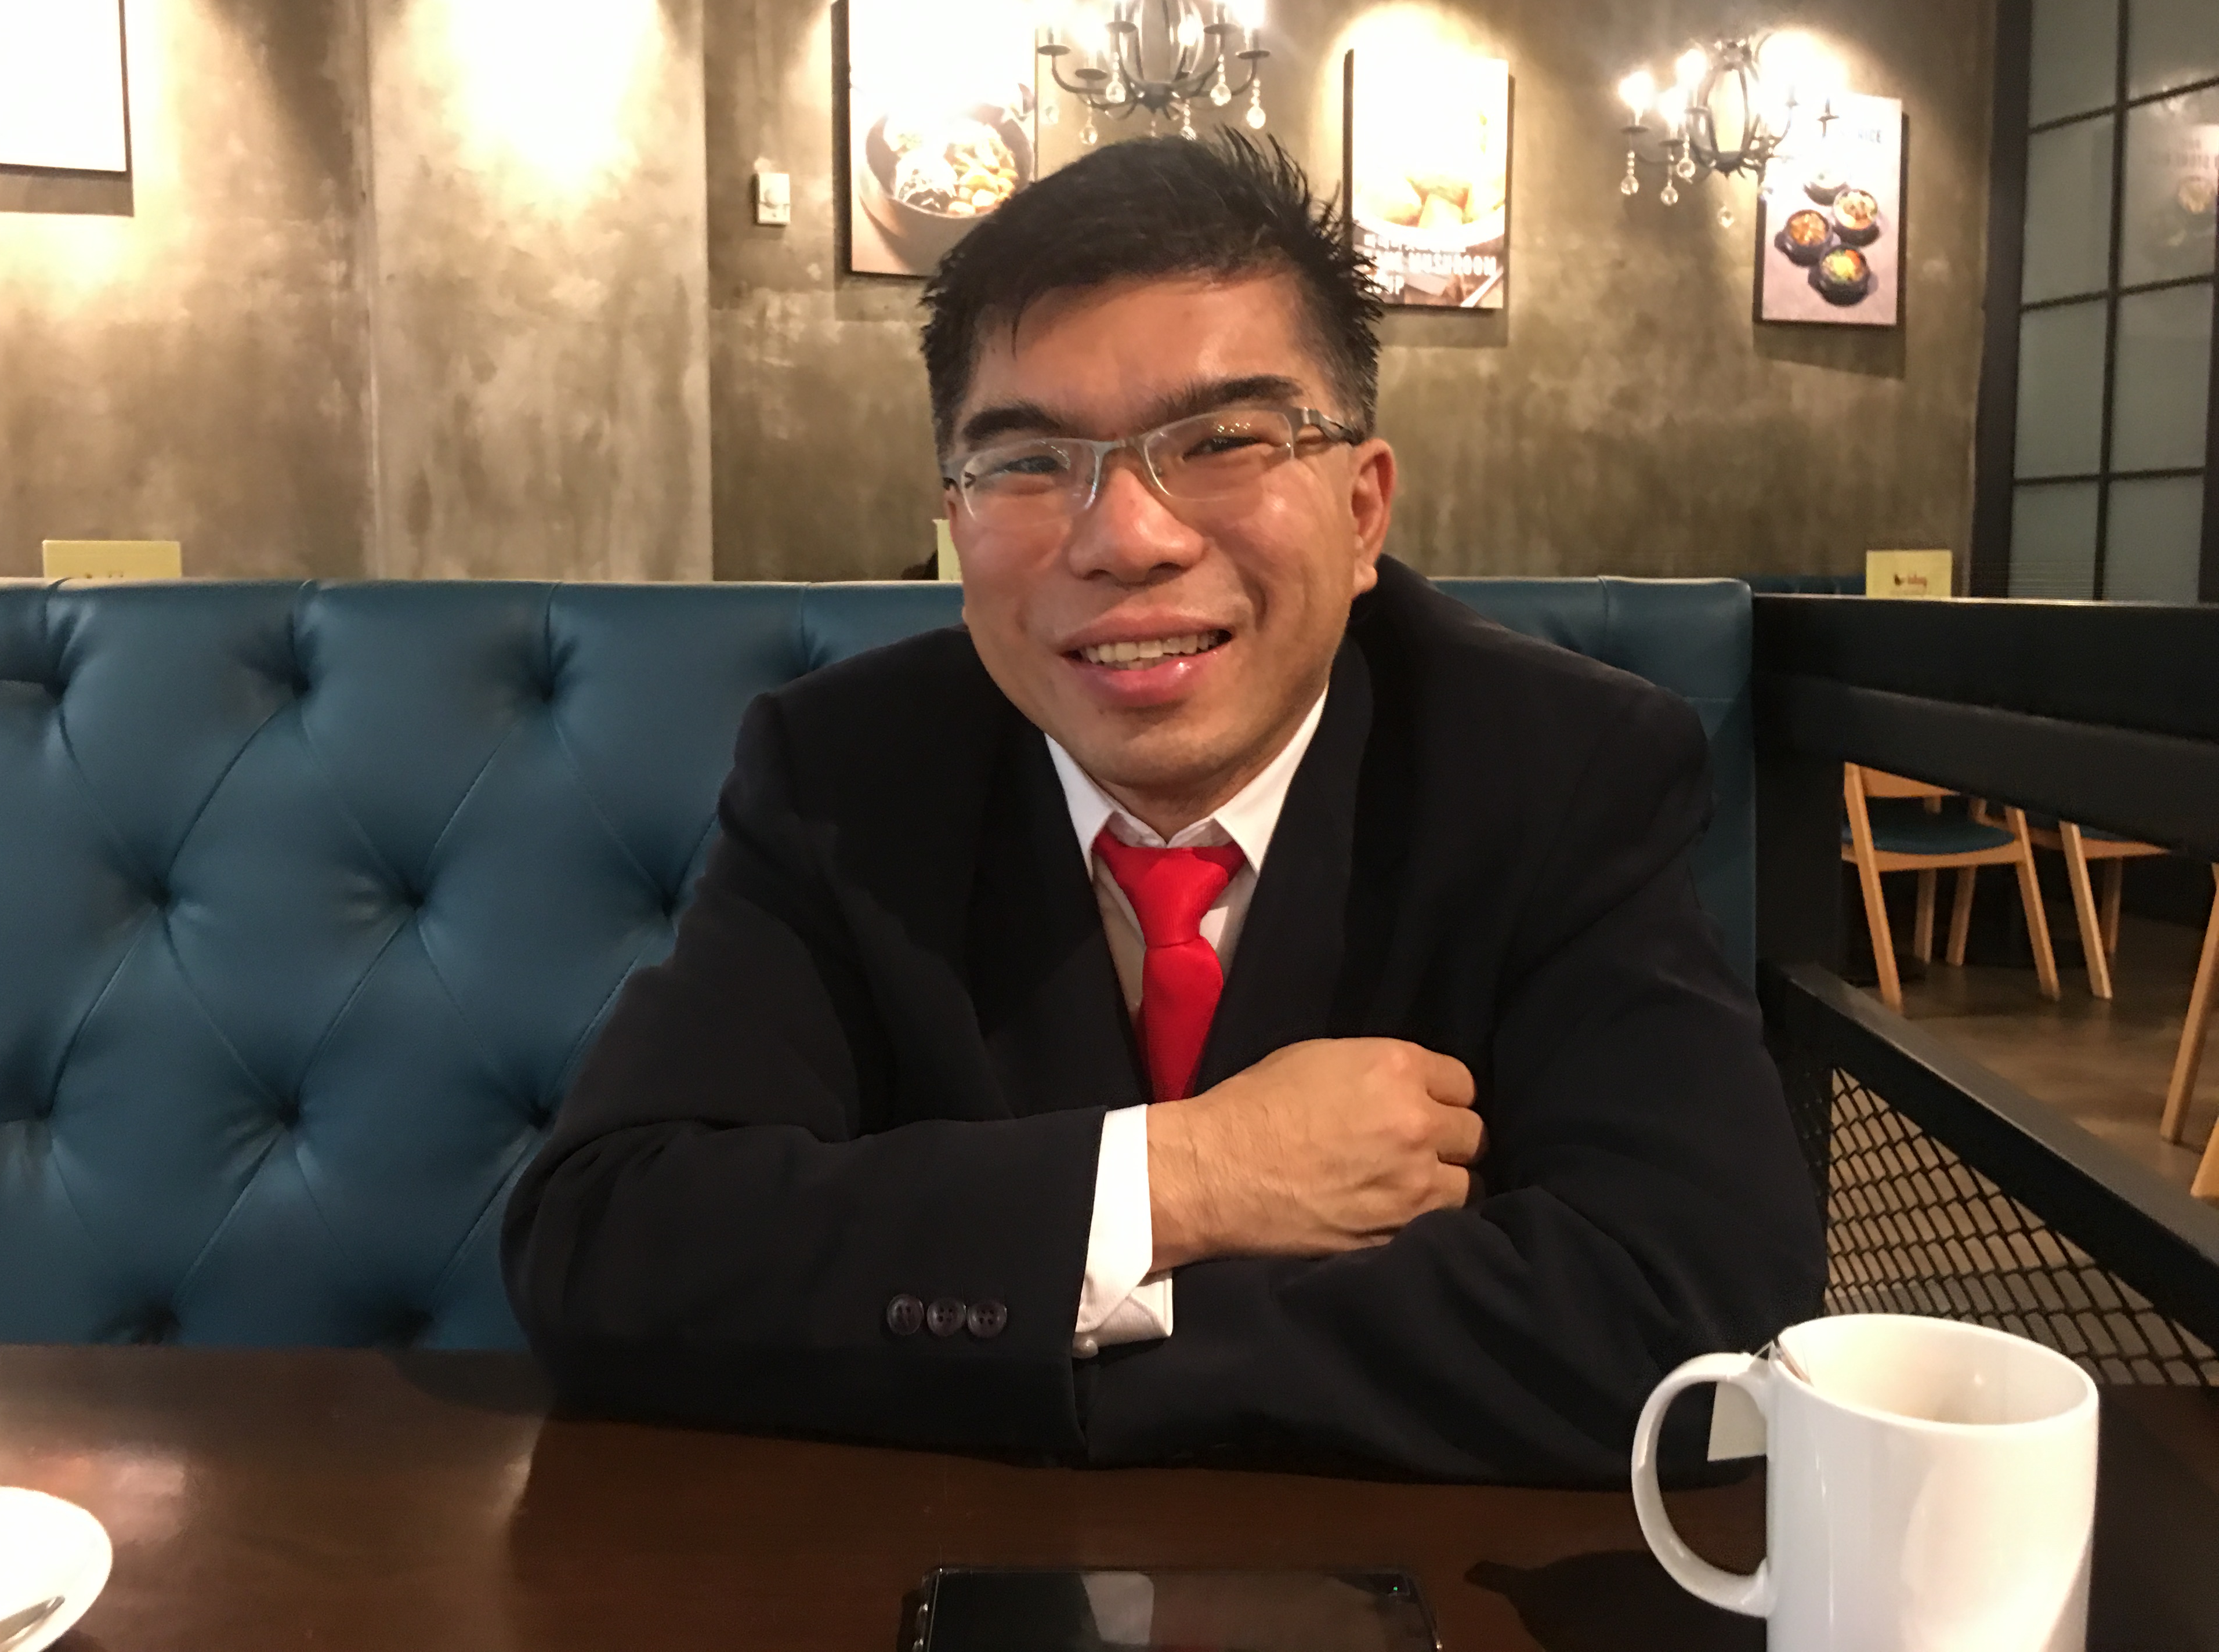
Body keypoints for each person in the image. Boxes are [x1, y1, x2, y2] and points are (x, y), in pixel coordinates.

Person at [503, 133, 1825, 1481]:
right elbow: (606, 1244)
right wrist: (1190, 1175)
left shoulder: (1559, 768)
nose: (1127, 538)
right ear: (954, 519)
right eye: (1028, 462)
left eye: (1225, 440)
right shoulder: (844, 772)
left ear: (1363, 511)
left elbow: (1700, 1315)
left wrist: (1037, 1323)